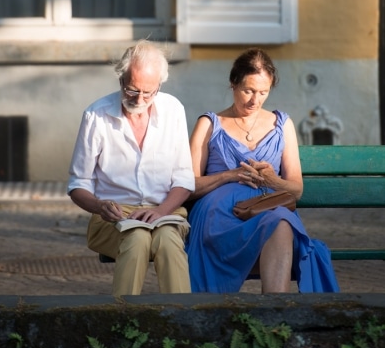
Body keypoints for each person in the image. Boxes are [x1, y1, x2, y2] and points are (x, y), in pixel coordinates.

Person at [186, 48, 340, 294]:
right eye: (248, 90)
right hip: (219, 215)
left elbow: (296, 190)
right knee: (278, 222)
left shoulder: (282, 124)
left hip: (267, 207)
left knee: (281, 222)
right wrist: (229, 175)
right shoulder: (209, 124)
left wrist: (272, 180)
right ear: (233, 83)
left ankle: (275, 314)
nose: (254, 101)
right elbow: (190, 186)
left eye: (263, 93)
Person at [68, 40, 195, 296]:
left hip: (165, 211)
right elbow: (78, 185)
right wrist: (99, 206)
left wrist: (161, 211)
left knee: (169, 242)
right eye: (132, 89)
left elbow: (184, 178)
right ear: (120, 80)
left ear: (159, 85)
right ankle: (123, 319)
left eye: (149, 92)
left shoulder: (173, 110)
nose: (140, 99)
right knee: (136, 238)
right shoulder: (96, 115)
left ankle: (183, 319)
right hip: (114, 215)